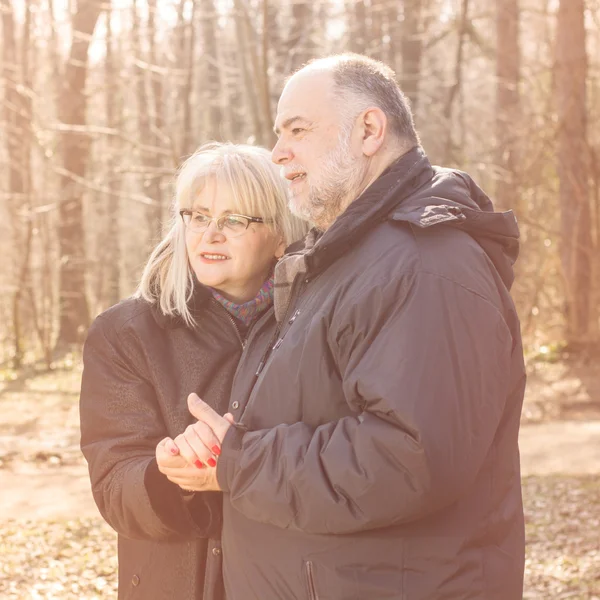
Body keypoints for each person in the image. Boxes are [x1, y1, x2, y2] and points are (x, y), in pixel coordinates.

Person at [168, 54, 527, 599]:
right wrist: (224, 450)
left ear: (369, 130)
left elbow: (408, 458)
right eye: (278, 133)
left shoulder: (424, 266)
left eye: (298, 130)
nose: (278, 152)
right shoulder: (348, 260)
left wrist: (241, 461)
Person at [79, 142, 308, 600]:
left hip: (291, 578)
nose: (210, 235)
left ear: (282, 235)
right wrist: (171, 475)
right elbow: (114, 481)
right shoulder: (127, 332)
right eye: (198, 216)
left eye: (235, 220)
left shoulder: (316, 321)